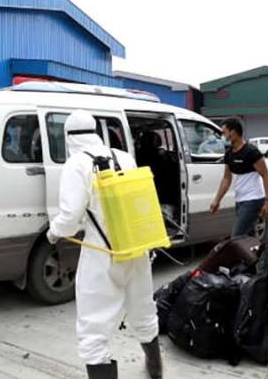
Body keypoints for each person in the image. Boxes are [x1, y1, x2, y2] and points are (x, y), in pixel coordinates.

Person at [47, 110, 162, 379]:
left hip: (102, 254)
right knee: (143, 310)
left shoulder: (76, 164)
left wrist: (53, 232)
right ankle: (155, 369)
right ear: (96, 131)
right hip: (136, 247)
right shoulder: (123, 156)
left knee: (93, 328)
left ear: (68, 137)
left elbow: (70, 217)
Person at [209, 117, 268, 237]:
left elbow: (266, 176)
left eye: (224, 132)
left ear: (233, 132)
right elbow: (226, 179)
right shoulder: (229, 154)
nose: (223, 136)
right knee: (247, 238)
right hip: (239, 200)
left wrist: (267, 201)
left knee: (237, 236)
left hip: (253, 200)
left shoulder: (251, 152)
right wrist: (217, 200)